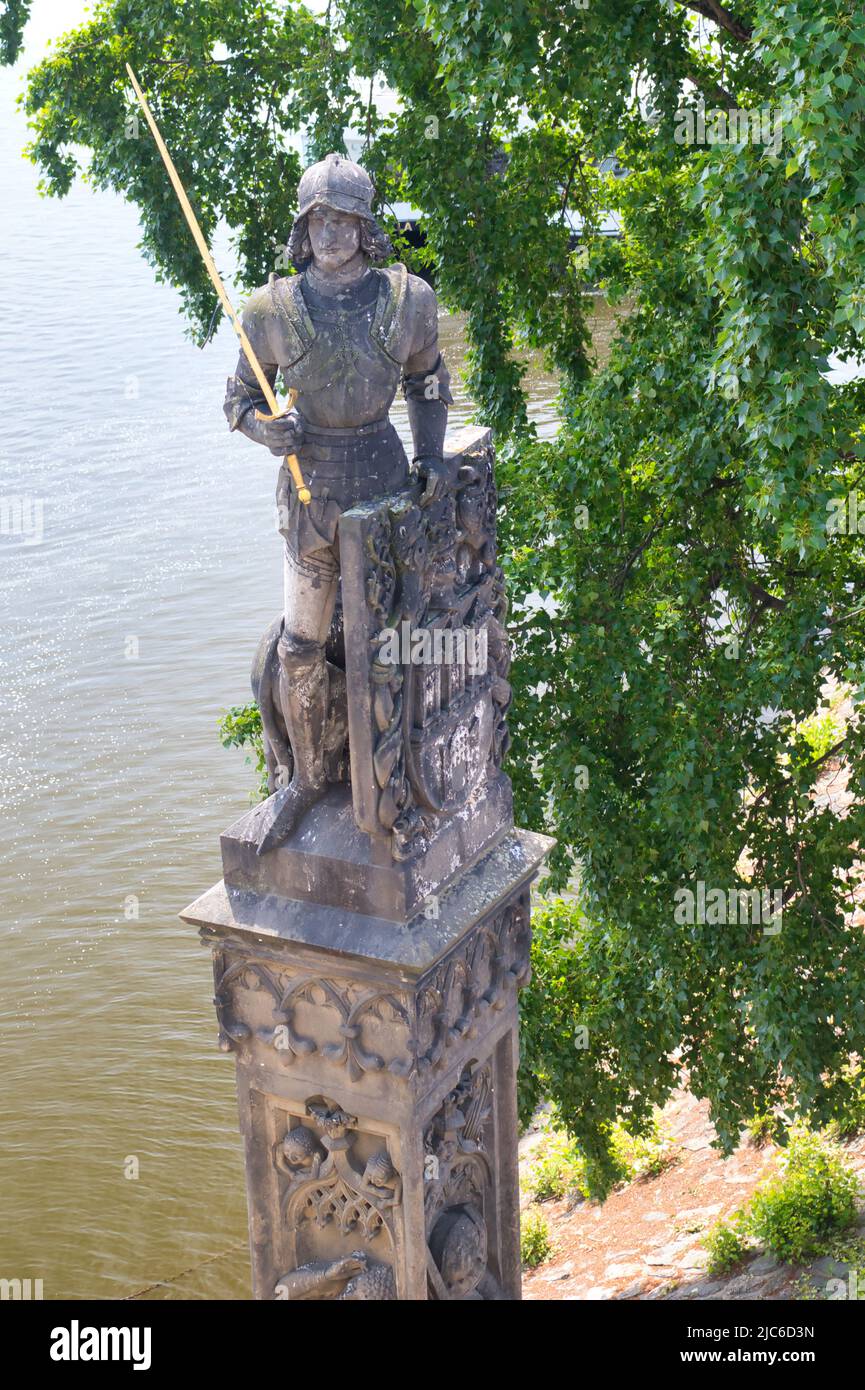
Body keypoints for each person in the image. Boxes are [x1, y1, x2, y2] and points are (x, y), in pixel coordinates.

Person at [224, 153, 452, 852]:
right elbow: (236, 401)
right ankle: (302, 780)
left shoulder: (406, 299)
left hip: (382, 488)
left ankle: (395, 775)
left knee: (389, 645)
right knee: (300, 648)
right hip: (311, 492)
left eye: (343, 218)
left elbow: (428, 381)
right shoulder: (269, 311)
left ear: (364, 226)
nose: (330, 232)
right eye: (318, 218)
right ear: (303, 228)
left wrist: (433, 457)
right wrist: (267, 430)